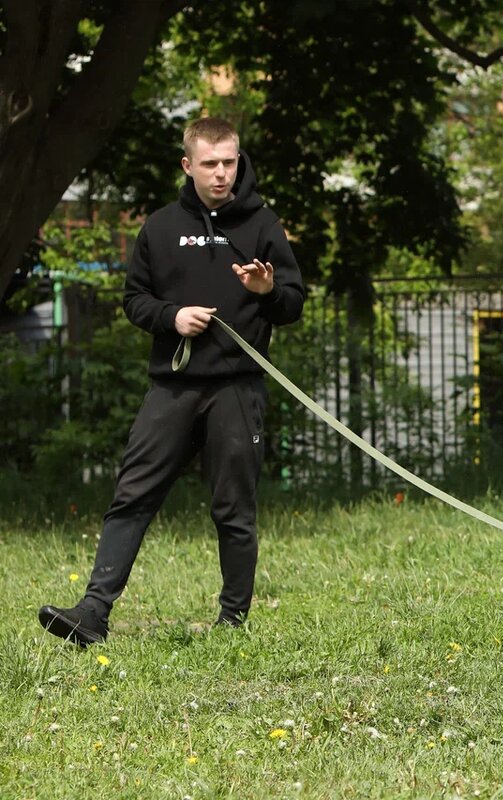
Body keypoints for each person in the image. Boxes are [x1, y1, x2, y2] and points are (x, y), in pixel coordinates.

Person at [39, 117, 305, 645]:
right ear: (188, 165)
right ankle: (92, 614)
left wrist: (267, 289)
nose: (223, 173)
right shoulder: (159, 228)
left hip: (237, 387)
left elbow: (292, 304)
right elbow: (134, 299)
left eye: (230, 161)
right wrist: (172, 316)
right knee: (131, 495)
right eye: (210, 163)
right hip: (173, 386)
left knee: (233, 508)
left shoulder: (263, 226)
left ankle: (232, 625)